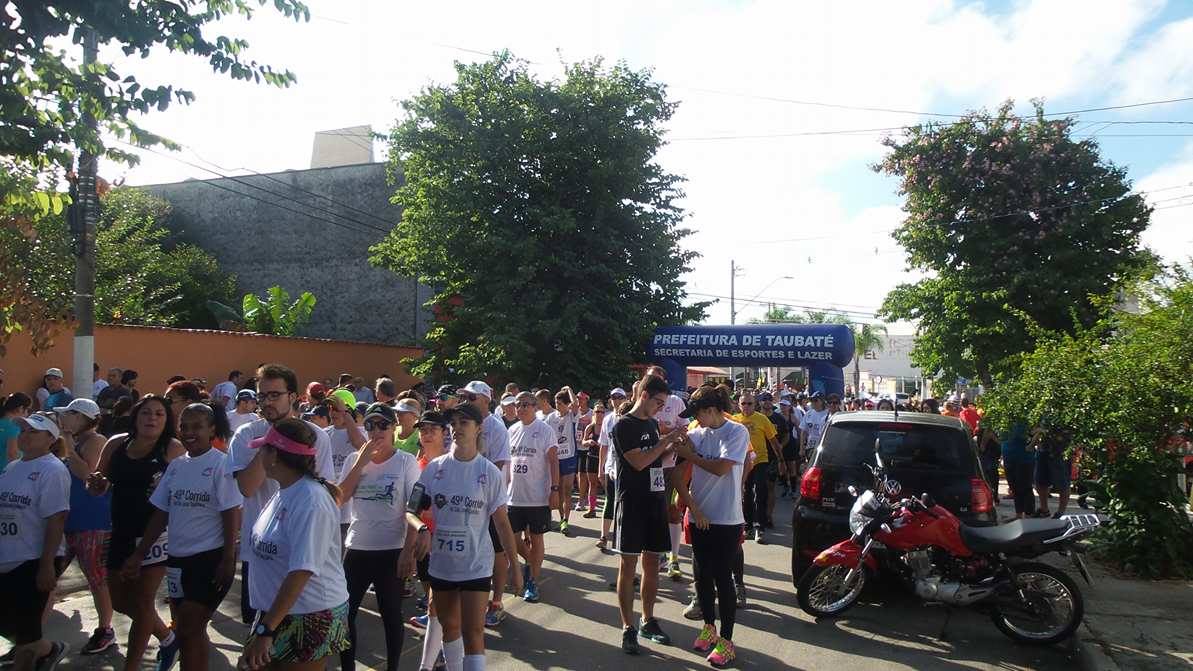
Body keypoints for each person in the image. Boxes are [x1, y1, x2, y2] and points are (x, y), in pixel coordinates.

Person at [405, 402, 521, 671]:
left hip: (476, 565)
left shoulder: (489, 472)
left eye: (464, 423)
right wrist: (421, 529)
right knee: (450, 628)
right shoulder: (434, 469)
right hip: (443, 565)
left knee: (474, 632)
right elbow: (411, 510)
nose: (456, 428)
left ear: (478, 428)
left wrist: (515, 568)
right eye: (453, 423)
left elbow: (502, 524)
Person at [125, 402, 240, 670]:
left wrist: (228, 558)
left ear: (211, 429)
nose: (189, 432)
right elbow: (161, 513)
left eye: (197, 426)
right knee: (188, 631)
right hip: (176, 560)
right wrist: (139, 554)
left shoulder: (220, 465)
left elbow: (230, 513)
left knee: (189, 624)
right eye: (184, 427)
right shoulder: (176, 466)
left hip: (208, 559)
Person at [238, 418, 351, 671]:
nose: (259, 455)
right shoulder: (284, 491)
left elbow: (302, 570)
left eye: (263, 448)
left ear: (275, 455)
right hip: (274, 613)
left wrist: (267, 629)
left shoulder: (310, 500)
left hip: (308, 615)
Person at [228, 364, 335, 627]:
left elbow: (325, 492)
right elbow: (247, 488)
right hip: (260, 553)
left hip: (299, 553)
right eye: (261, 396)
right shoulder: (246, 434)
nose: (266, 402)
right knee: (257, 633)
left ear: (294, 397)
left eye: (274, 395)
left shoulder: (317, 437)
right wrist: (271, 441)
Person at [87, 395, 185, 671]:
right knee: (119, 600)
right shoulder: (117, 443)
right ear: (136, 416)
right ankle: (168, 637)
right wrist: (96, 484)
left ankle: (132, 666)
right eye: (146, 413)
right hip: (120, 530)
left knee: (143, 602)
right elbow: (98, 483)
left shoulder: (172, 449)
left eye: (159, 414)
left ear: (167, 421)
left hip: (157, 534)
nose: (152, 418)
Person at [336, 403, 421, 671]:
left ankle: (393, 666)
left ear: (394, 428)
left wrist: (408, 551)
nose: (376, 431)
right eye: (370, 425)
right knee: (345, 614)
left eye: (383, 425)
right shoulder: (354, 459)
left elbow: (413, 508)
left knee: (391, 615)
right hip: (357, 546)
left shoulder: (405, 461)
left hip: (391, 549)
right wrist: (361, 461)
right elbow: (340, 498)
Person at [673, 386, 749, 668]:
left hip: (727, 519)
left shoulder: (736, 432)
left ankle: (727, 642)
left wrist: (690, 454)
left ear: (711, 410)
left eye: (697, 414)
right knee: (701, 577)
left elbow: (720, 468)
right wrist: (693, 507)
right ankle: (708, 627)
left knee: (722, 578)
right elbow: (677, 475)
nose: (695, 420)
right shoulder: (694, 434)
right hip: (700, 517)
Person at [611, 375, 687, 655]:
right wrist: (666, 438)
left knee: (652, 562)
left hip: (655, 500)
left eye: (664, 403)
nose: (660, 408)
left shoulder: (653, 424)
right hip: (632, 502)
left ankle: (648, 619)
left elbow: (657, 458)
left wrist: (675, 445)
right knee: (628, 567)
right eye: (658, 402)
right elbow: (640, 461)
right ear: (643, 395)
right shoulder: (624, 425)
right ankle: (627, 627)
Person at [0, 412, 71, 670]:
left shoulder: (52, 470)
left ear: (50, 439)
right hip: (7, 556)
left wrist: (47, 564)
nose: (25, 436)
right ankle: (49, 649)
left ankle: (36, 653)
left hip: (33, 559)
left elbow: (57, 519)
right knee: (14, 629)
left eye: (33, 432)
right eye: (23, 431)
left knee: (26, 638)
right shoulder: (13, 467)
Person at [56, 398, 119, 656]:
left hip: (93, 523)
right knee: (50, 573)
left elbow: (88, 474)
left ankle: (106, 629)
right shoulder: (75, 442)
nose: (63, 419)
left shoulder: (96, 441)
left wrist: (69, 446)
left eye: (68, 414)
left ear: (82, 417)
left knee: (96, 578)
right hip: (68, 520)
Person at [457, 381, 512, 628]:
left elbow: (499, 464)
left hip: (489, 500)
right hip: (466, 500)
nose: (465, 401)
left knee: (497, 552)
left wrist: (484, 493)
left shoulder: (497, 428)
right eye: (464, 397)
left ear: (485, 400)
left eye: (471, 397)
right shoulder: (463, 424)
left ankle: (497, 602)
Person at [506, 391, 559, 603]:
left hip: (537, 497)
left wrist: (554, 490)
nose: (520, 408)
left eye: (526, 404)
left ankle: (532, 581)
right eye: (518, 405)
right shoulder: (511, 430)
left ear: (535, 407)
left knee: (537, 539)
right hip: (513, 496)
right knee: (510, 538)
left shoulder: (545, 430)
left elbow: (554, 461)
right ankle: (532, 563)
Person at [409, 410, 450, 669]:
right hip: (424, 538)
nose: (425, 434)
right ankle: (442, 652)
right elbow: (411, 509)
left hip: (446, 542)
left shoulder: (451, 462)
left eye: (431, 429)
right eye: (422, 430)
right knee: (432, 599)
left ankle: (438, 658)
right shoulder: (417, 463)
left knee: (439, 603)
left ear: (444, 433)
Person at [642, 365, 689, 580]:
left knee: (671, 512)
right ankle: (654, 557)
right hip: (645, 468)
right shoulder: (639, 400)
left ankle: (674, 559)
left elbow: (684, 430)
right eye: (650, 379)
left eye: (657, 378)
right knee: (649, 514)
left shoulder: (676, 402)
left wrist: (666, 432)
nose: (654, 382)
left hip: (669, 466)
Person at [733, 392, 782, 543]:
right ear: (739, 405)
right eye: (743, 404)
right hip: (742, 462)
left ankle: (760, 527)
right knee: (746, 494)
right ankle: (747, 526)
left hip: (760, 460)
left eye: (750, 404)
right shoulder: (734, 420)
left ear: (755, 405)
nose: (746, 407)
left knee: (760, 491)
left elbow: (773, 441)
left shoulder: (762, 419)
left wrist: (781, 461)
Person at [543, 388, 579, 535]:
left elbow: (575, 403)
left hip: (569, 457)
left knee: (567, 490)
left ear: (566, 404)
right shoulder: (551, 417)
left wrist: (569, 389)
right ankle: (561, 518)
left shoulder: (571, 416)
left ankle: (566, 521)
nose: (557, 405)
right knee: (557, 490)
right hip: (556, 459)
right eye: (556, 402)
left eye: (560, 403)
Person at [596, 389, 627, 549]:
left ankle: (622, 536)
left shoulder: (628, 418)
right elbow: (604, 445)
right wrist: (601, 468)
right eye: (613, 397)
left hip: (626, 468)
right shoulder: (608, 419)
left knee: (622, 503)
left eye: (619, 397)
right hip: (610, 466)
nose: (616, 400)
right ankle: (603, 536)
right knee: (609, 500)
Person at [1034, 427, 1073, 518]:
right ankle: (1044, 510)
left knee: (1063, 483)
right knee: (1040, 481)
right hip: (1043, 450)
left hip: (1061, 451)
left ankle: (1060, 512)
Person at [1002, 423, 1036, 519]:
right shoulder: (1004, 418)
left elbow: (1039, 431)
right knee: (1014, 487)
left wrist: (1031, 445)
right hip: (1008, 457)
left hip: (1024, 458)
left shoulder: (1024, 417)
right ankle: (1019, 514)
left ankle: (1029, 514)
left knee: (1025, 487)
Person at [579, 401, 605, 518]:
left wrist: (603, 445)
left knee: (606, 485)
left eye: (601, 411)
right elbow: (583, 442)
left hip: (604, 459)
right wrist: (588, 442)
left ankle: (610, 508)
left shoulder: (607, 425)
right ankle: (592, 509)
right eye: (597, 411)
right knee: (592, 484)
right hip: (592, 457)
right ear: (593, 413)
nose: (599, 413)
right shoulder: (590, 427)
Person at [798, 392, 830, 469]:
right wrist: (801, 448)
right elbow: (804, 432)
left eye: (816, 400)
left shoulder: (828, 414)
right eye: (811, 400)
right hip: (811, 447)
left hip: (824, 447)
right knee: (811, 467)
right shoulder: (809, 414)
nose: (813, 402)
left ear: (822, 401)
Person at [1, 392, 32, 471]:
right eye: (27, 410)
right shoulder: (14, 427)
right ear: (21, 408)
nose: (28, 414)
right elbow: (12, 454)